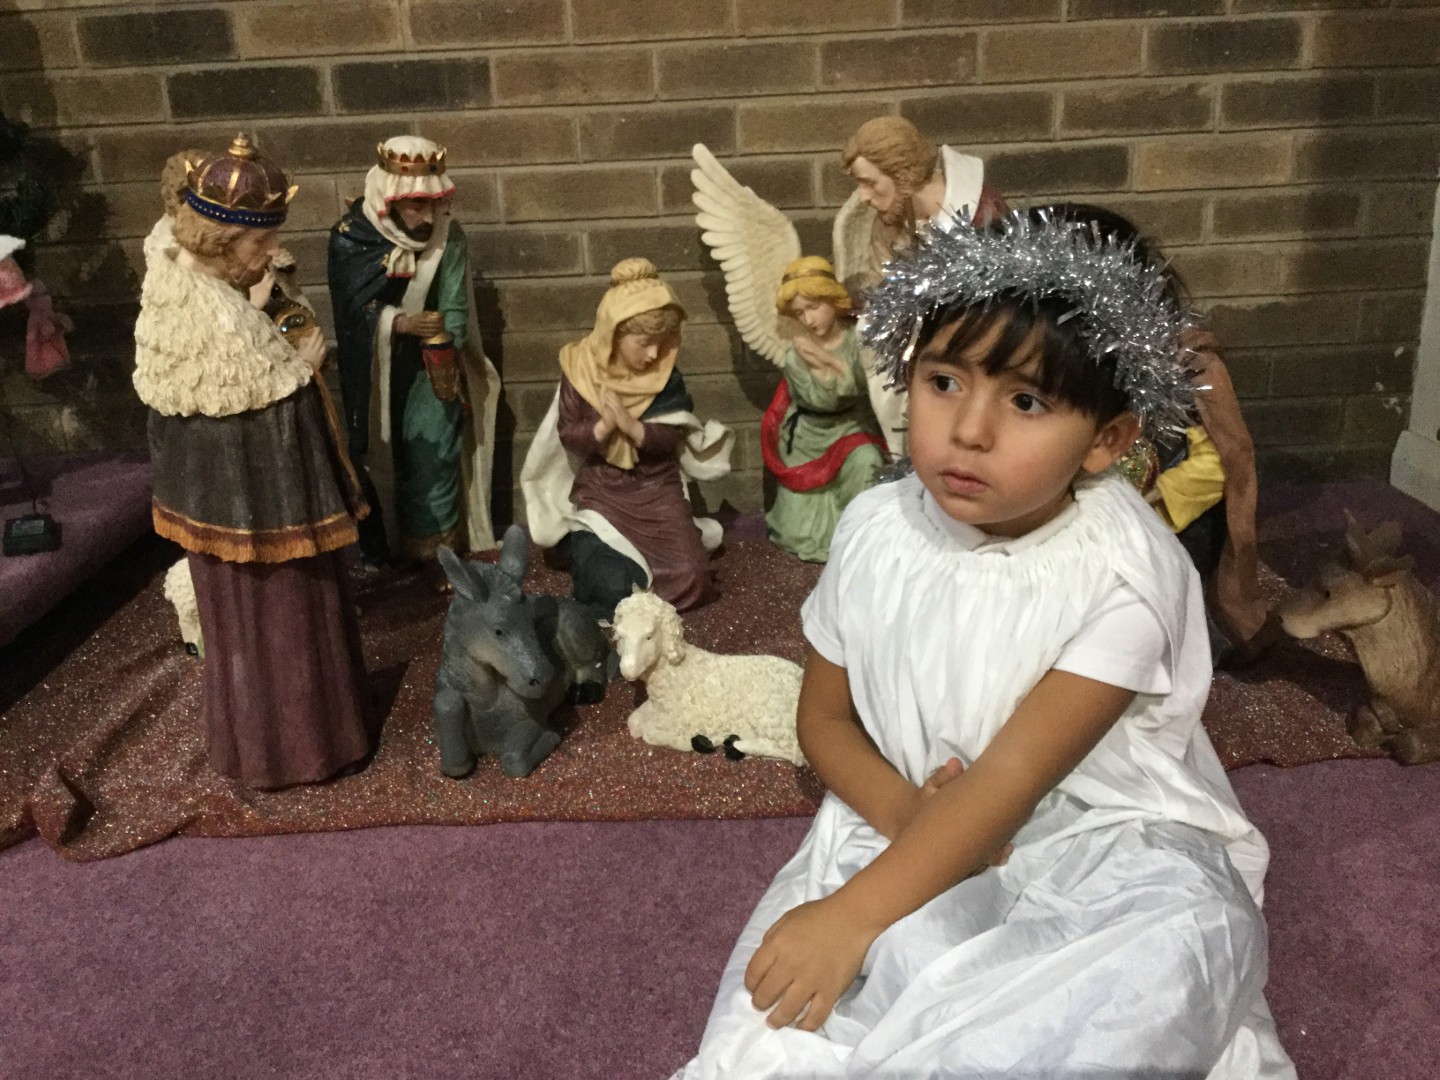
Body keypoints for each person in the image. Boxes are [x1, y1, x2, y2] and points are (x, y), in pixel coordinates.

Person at [673, 211, 1296, 1078]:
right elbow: (823, 719)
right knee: (791, 1024)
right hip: (901, 815)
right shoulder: (877, 529)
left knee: (1185, 940)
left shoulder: (1119, 572)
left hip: (1093, 835)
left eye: (1027, 401)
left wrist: (854, 915)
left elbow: (1012, 777)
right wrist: (902, 822)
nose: (969, 430)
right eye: (943, 381)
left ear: (1108, 441)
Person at [133, 135, 373, 789]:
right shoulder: (217, 330)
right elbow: (261, 418)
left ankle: (259, 746)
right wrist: (303, 369)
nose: (271, 252)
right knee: (281, 634)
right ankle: (300, 749)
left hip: (231, 517)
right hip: (266, 533)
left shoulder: (182, 282)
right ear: (219, 239)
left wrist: (262, 315)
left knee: (245, 637)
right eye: (260, 241)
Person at [520, 258, 732, 621]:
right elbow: (569, 435)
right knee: (610, 587)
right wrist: (604, 427)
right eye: (644, 343)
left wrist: (633, 428)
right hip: (603, 490)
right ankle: (582, 547)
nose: (654, 354)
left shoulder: (666, 375)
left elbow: (670, 438)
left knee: (691, 579)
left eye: (662, 343)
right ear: (614, 334)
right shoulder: (580, 370)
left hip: (656, 488)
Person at [328, 135, 500, 566]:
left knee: (431, 453)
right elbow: (350, 312)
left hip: (432, 362)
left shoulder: (448, 235)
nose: (427, 216)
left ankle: (435, 558)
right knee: (381, 455)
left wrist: (444, 342)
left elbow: (454, 307)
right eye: (416, 206)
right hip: (376, 368)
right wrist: (399, 323)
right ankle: (387, 551)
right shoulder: (352, 237)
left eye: (434, 204)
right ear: (390, 199)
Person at [834, 116, 1010, 458]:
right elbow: (882, 291)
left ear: (902, 175)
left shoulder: (979, 212)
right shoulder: (891, 222)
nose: (863, 197)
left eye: (869, 183)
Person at [762, 256, 886, 562]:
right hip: (809, 437)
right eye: (799, 313)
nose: (808, 320)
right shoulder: (795, 355)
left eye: (814, 307)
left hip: (853, 427)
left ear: (833, 300)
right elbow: (822, 401)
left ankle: (859, 534)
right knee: (797, 532)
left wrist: (827, 362)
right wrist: (830, 369)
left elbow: (865, 386)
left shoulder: (859, 339)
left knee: (866, 460)